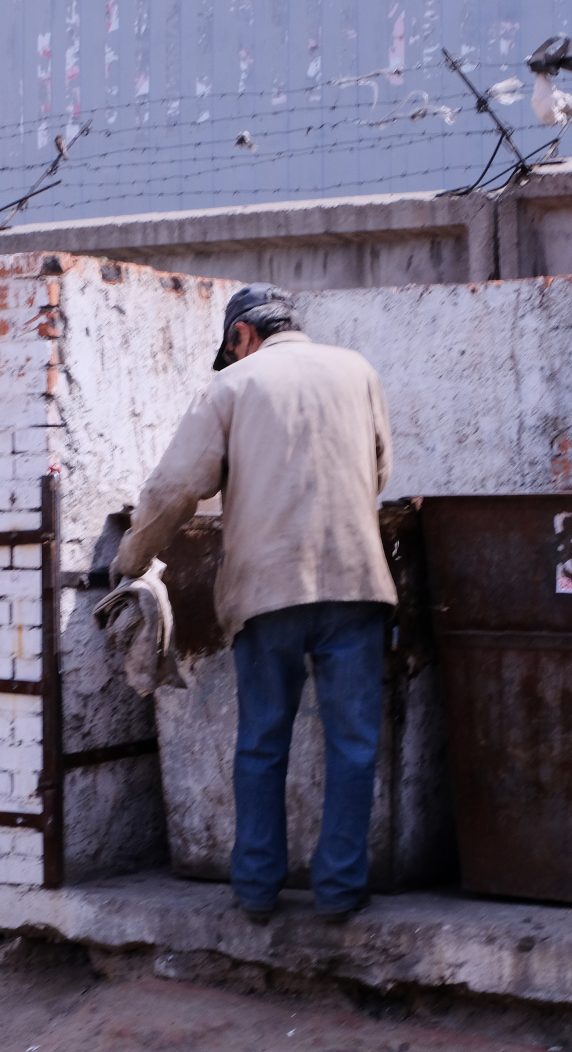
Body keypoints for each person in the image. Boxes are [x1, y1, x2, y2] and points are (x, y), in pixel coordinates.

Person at [110, 283, 396, 925]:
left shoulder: (231, 386)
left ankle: (258, 891)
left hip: (268, 592)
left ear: (241, 335)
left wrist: (130, 559)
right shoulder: (358, 370)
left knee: (263, 741)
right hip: (357, 585)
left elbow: (176, 488)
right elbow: (378, 471)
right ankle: (341, 892)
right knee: (354, 744)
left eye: (230, 347)